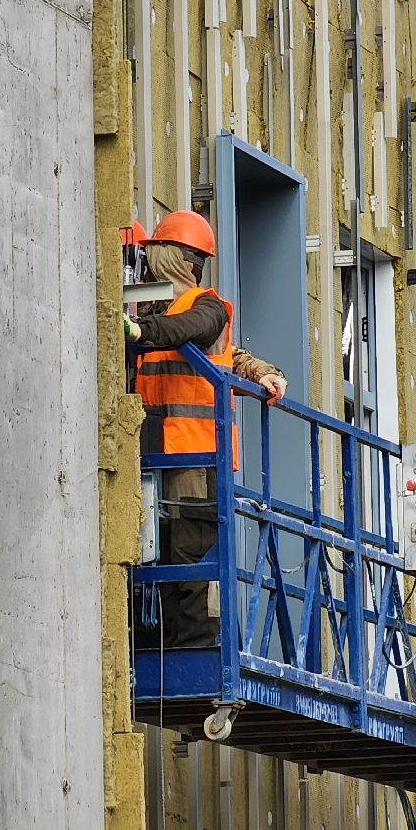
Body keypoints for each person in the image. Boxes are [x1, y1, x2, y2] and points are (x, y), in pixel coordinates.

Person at [126, 209, 286, 646]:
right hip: (159, 458)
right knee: (154, 551)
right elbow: (231, 357)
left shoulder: (203, 306)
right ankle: (161, 643)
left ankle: (197, 644)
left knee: (189, 553)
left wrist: (138, 330)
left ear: (172, 256)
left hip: (197, 458)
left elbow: (193, 333)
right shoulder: (154, 308)